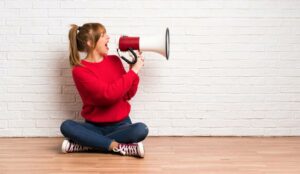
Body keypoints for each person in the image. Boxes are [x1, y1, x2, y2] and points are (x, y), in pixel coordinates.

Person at [60, 23, 148, 158]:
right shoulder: (80, 70)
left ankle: (87, 144)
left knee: (141, 129)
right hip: (93, 127)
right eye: (103, 35)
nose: (108, 37)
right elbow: (107, 95)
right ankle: (117, 146)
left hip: (121, 125)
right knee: (66, 126)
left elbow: (128, 94)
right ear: (90, 42)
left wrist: (132, 70)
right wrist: (134, 71)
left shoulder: (115, 60)